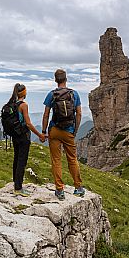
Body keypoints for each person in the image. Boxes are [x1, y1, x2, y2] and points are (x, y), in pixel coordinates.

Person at [42, 69, 85, 200]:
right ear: (66, 79)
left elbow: (46, 115)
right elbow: (79, 114)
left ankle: (60, 190)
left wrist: (44, 132)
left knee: (56, 160)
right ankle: (78, 188)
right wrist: (75, 130)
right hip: (69, 131)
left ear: (56, 80)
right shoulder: (75, 94)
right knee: (72, 159)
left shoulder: (51, 95)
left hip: (54, 130)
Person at [8, 83, 46, 196]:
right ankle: (18, 188)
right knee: (22, 161)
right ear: (24, 93)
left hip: (15, 135)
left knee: (16, 158)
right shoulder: (23, 105)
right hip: (23, 136)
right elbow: (28, 124)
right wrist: (40, 134)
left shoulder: (12, 104)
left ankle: (16, 182)